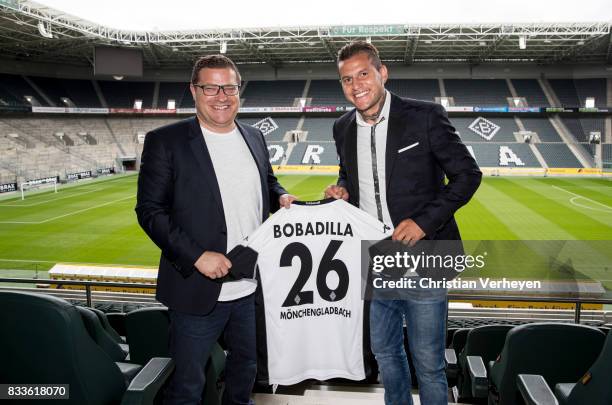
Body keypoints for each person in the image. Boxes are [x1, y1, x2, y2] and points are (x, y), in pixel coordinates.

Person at [325, 41, 482, 405]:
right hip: (376, 258)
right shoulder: (342, 126)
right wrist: (343, 190)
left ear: (382, 73)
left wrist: (424, 223)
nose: (355, 85)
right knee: (385, 354)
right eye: (346, 79)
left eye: (363, 73)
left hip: (425, 257)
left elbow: (467, 175)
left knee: (428, 363)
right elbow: (349, 173)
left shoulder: (425, 116)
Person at [136, 54, 295, 405]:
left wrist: (281, 196)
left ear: (239, 91)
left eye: (230, 87)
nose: (221, 95)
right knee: (187, 387)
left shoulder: (254, 136)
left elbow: (267, 182)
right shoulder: (167, 141)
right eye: (211, 86)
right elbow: (149, 211)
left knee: (245, 373)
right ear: (194, 91)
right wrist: (196, 256)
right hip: (197, 288)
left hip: (251, 286)